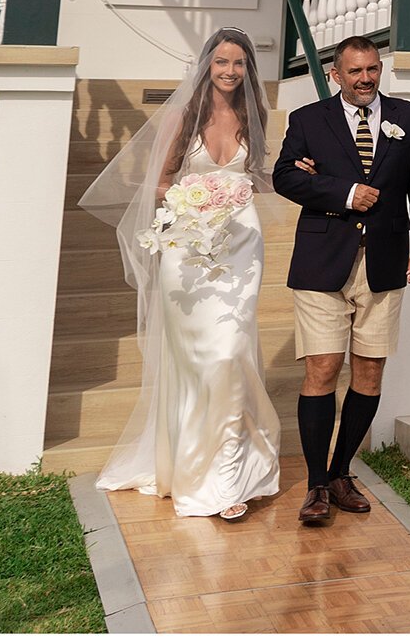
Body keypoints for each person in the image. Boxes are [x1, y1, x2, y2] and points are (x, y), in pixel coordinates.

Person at [78, 28, 279, 521]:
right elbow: (161, 183)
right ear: (206, 65)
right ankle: (190, 468)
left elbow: (257, 177)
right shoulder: (180, 116)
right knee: (196, 365)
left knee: (230, 354)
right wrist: (198, 203)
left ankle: (229, 476)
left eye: (239, 63)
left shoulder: (256, 116)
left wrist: (297, 172)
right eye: (222, 62)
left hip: (241, 251)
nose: (230, 71)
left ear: (248, 69)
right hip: (188, 251)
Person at [274, 35, 410, 528]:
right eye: (355, 71)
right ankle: (315, 486)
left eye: (372, 69)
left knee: (368, 374)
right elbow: (284, 176)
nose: (366, 78)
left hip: (386, 263)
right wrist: (343, 192)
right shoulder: (307, 120)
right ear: (335, 74)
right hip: (322, 263)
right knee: (323, 370)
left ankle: (342, 472)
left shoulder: (409, 117)